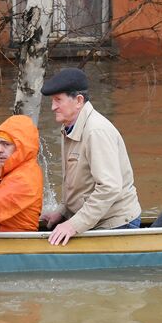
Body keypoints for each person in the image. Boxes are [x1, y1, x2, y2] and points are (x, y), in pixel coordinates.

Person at [38, 67, 142, 245]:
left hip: (117, 224)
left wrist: (73, 225)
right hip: (95, 219)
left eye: (58, 100)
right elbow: (78, 184)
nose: (53, 106)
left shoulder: (96, 131)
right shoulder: (69, 126)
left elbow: (109, 188)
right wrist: (62, 211)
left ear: (78, 101)